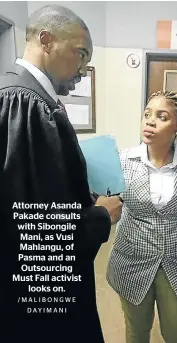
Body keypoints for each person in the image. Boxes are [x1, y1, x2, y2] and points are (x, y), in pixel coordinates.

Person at [0, 5, 122, 343]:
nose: (84, 68)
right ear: (46, 40)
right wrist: (100, 217)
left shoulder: (33, 99)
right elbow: (34, 228)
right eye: (80, 53)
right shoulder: (25, 104)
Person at [106, 90, 177, 343]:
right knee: (137, 332)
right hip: (131, 260)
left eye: (161, 117)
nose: (150, 121)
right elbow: (113, 207)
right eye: (147, 115)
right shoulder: (122, 161)